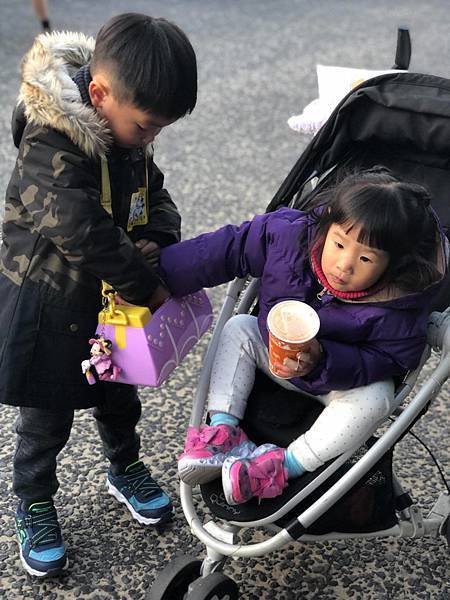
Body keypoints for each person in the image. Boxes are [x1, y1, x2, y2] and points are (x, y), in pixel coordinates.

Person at [0, 13, 197, 576]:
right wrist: (147, 281)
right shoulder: (50, 139)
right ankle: (33, 500)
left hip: (111, 301)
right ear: (98, 93)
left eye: (160, 128)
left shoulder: (126, 132)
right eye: (147, 126)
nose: (151, 137)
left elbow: (155, 196)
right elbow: (79, 227)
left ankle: (124, 466)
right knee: (46, 414)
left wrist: (159, 236)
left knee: (118, 396)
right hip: (50, 297)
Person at [156, 167, 446, 505]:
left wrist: (324, 360)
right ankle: (223, 430)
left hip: (338, 383)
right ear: (325, 227)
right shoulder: (289, 235)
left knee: (377, 398)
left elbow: (392, 360)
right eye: (338, 244)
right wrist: (157, 276)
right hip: (270, 350)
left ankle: (282, 467)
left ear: (392, 266)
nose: (344, 264)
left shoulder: (399, 303)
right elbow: (225, 248)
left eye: (366, 258)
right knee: (238, 328)